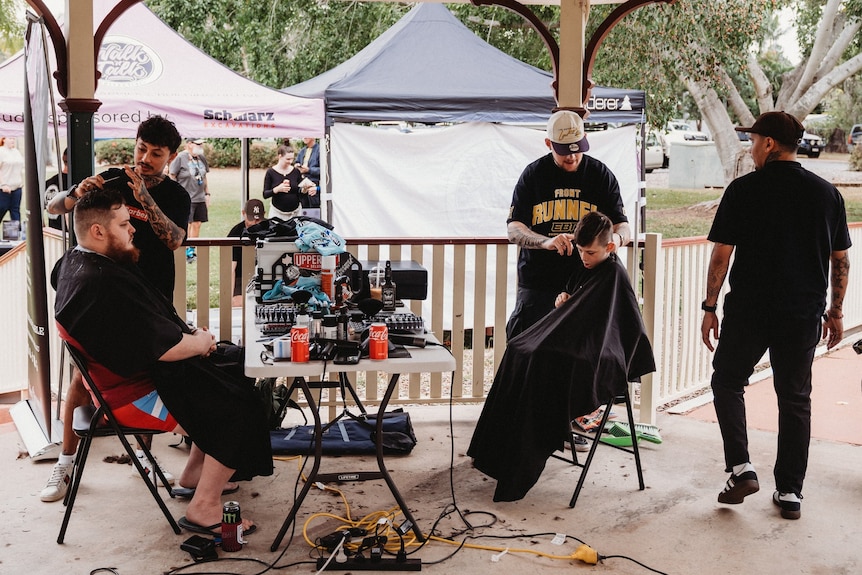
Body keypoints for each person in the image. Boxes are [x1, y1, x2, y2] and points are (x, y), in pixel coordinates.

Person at [53, 186, 272, 535]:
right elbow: (161, 349)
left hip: (130, 377)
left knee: (233, 365)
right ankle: (204, 507)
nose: (133, 230)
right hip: (129, 397)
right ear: (98, 231)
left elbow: (142, 333)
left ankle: (193, 476)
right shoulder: (101, 284)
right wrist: (198, 342)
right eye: (124, 224)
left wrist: (190, 337)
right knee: (241, 406)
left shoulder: (73, 262)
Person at [700, 111, 851, 521]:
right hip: (801, 313)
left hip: (750, 309)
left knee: (727, 380)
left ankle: (741, 467)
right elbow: (841, 260)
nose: (750, 150)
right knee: (795, 399)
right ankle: (789, 493)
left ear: (769, 144)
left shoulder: (744, 190)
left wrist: (710, 307)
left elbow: (721, 255)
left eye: (753, 141)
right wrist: (835, 311)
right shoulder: (827, 195)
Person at [42, 115, 190, 503]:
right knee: (84, 376)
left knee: (148, 374)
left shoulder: (176, 194)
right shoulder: (112, 178)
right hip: (103, 295)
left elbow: (175, 240)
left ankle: (141, 453)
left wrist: (146, 200)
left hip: (150, 297)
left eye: (155, 154)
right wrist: (76, 192)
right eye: (141, 149)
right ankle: (66, 460)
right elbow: (55, 206)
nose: (144, 159)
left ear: (171, 157)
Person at [468, 211, 654, 501]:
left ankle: (519, 466)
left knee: (541, 366)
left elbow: (615, 328)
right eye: (580, 251)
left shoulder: (614, 274)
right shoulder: (586, 266)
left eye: (590, 252)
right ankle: (493, 455)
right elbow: (576, 304)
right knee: (519, 350)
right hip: (573, 343)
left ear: (610, 247)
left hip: (601, 354)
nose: (584, 257)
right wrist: (564, 302)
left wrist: (573, 312)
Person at [506, 110, 631, 341]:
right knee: (527, 350)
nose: (572, 157)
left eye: (577, 148)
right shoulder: (533, 175)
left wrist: (614, 240)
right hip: (538, 283)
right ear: (548, 143)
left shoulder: (601, 175)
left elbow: (623, 227)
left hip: (587, 284)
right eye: (564, 151)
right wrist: (546, 242)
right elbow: (513, 229)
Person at [170, 138, 209, 263]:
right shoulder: (180, 158)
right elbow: (172, 174)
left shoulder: (201, 158)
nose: (200, 146)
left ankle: (192, 250)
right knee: (187, 224)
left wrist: (207, 193)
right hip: (187, 197)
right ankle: (184, 249)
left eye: (201, 144)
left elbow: (205, 176)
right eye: (197, 144)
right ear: (189, 144)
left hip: (199, 197)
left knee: (197, 224)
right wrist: (176, 193)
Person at [227, 198, 266, 307]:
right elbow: (231, 268)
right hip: (241, 277)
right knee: (238, 303)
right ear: (243, 213)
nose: (254, 223)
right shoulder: (235, 233)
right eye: (251, 219)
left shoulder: (271, 229)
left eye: (258, 220)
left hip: (265, 276)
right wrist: (229, 297)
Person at [262, 145, 302, 220]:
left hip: (295, 213)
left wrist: (305, 189)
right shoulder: (271, 172)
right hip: (277, 214)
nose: (290, 162)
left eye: (292, 159)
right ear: (280, 156)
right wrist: (277, 189)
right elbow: (265, 194)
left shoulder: (296, 171)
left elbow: (300, 190)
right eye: (288, 159)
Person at [0, 136, 24, 226]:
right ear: (4, 139)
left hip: (17, 188)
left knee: (15, 212)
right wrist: (3, 184)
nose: (13, 140)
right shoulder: (1, 151)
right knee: (2, 209)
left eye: (14, 138)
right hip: (4, 189)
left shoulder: (16, 152)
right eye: (10, 138)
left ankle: (17, 236)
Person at [44, 148, 70, 231]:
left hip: (53, 234)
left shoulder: (49, 182)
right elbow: (67, 216)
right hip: (67, 236)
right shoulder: (73, 185)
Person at [296, 137, 320, 208]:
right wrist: (297, 166)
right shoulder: (302, 151)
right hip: (302, 183)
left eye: (307, 135)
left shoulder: (320, 150)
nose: (304, 137)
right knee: (304, 208)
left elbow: (324, 170)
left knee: (314, 210)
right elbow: (297, 162)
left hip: (314, 184)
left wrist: (309, 170)